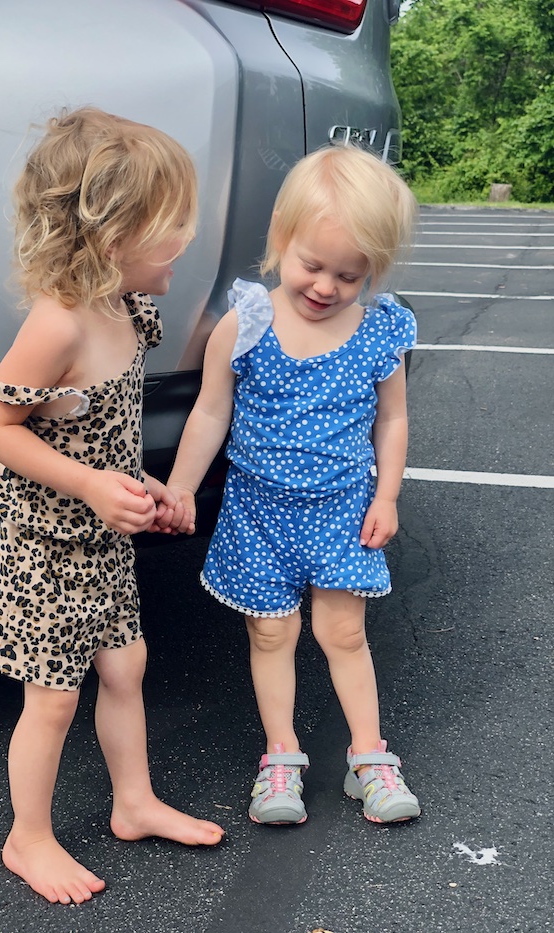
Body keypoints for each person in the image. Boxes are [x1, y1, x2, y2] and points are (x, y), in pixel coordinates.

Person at [0, 106, 223, 906]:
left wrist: (144, 486)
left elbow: (99, 432)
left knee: (126, 663)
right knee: (54, 696)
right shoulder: (59, 325)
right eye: (174, 224)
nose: (188, 236)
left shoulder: (123, 309)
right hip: (41, 543)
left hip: (100, 537)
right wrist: (87, 486)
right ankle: (27, 836)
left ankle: (133, 801)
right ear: (114, 237)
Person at [165, 144, 422, 826]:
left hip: (342, 511)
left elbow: (392, 419)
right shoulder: (247, 323)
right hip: (258, 513)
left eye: (349, 274)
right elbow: (211, 411)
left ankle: (369, 757)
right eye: (313, 264)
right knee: (271, 635)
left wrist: (387, 494)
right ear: (282, 235)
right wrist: (183, 486)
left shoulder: (378, 331)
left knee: (344, 632)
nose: (326, 287)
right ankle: (281, 757)